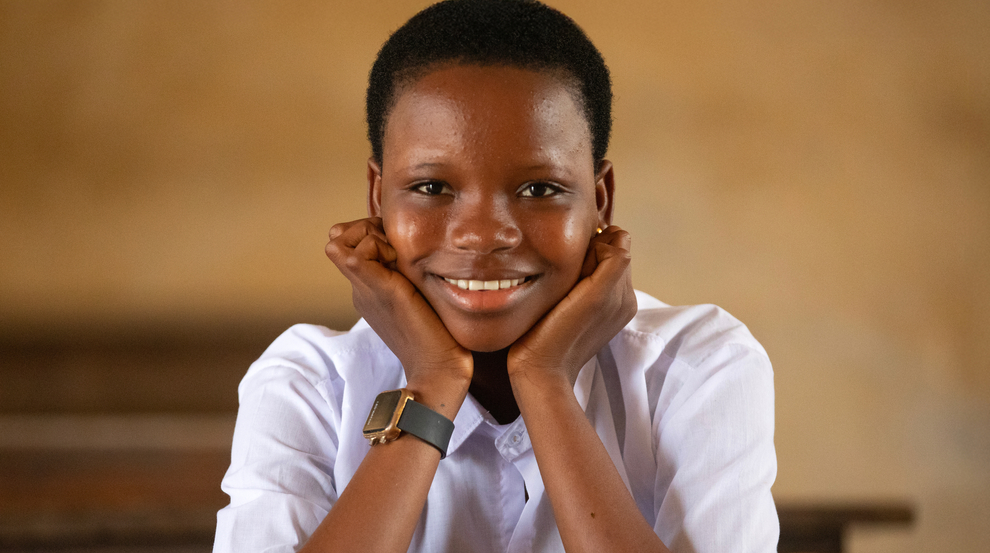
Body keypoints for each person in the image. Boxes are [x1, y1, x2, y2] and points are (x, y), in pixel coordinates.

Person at [213, 1, 778, 552]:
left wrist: (546, 382)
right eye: (432, 188)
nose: (483, 234)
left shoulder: (698, 368)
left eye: (540, 189)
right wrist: (431, 384)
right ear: (377, 197)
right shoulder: (310, 385)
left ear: (600, 201)